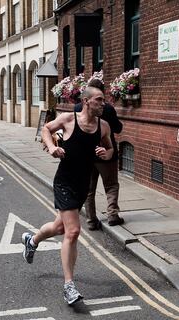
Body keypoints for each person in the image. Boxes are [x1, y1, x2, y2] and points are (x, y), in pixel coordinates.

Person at [21, 86, 113, 305]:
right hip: (64, 182)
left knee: (60, 227)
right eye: (99, 100)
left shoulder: (103, 126)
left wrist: (105, 153)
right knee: (72, 231)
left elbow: (110, 150)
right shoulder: (68, 119)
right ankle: (69, 286)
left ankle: (31, 240)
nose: (103, 104)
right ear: (86, 101)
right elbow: (45, 128)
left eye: (104, 100)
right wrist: (52, 146)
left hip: (83, 184)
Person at [74, 79, 124, 230]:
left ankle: (91, 220)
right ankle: (112, 215)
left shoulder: (77, 107)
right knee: (111, 185)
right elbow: (117, 128)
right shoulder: (107, 108)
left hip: (86, 155)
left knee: (89, 189)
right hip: (105, 154)